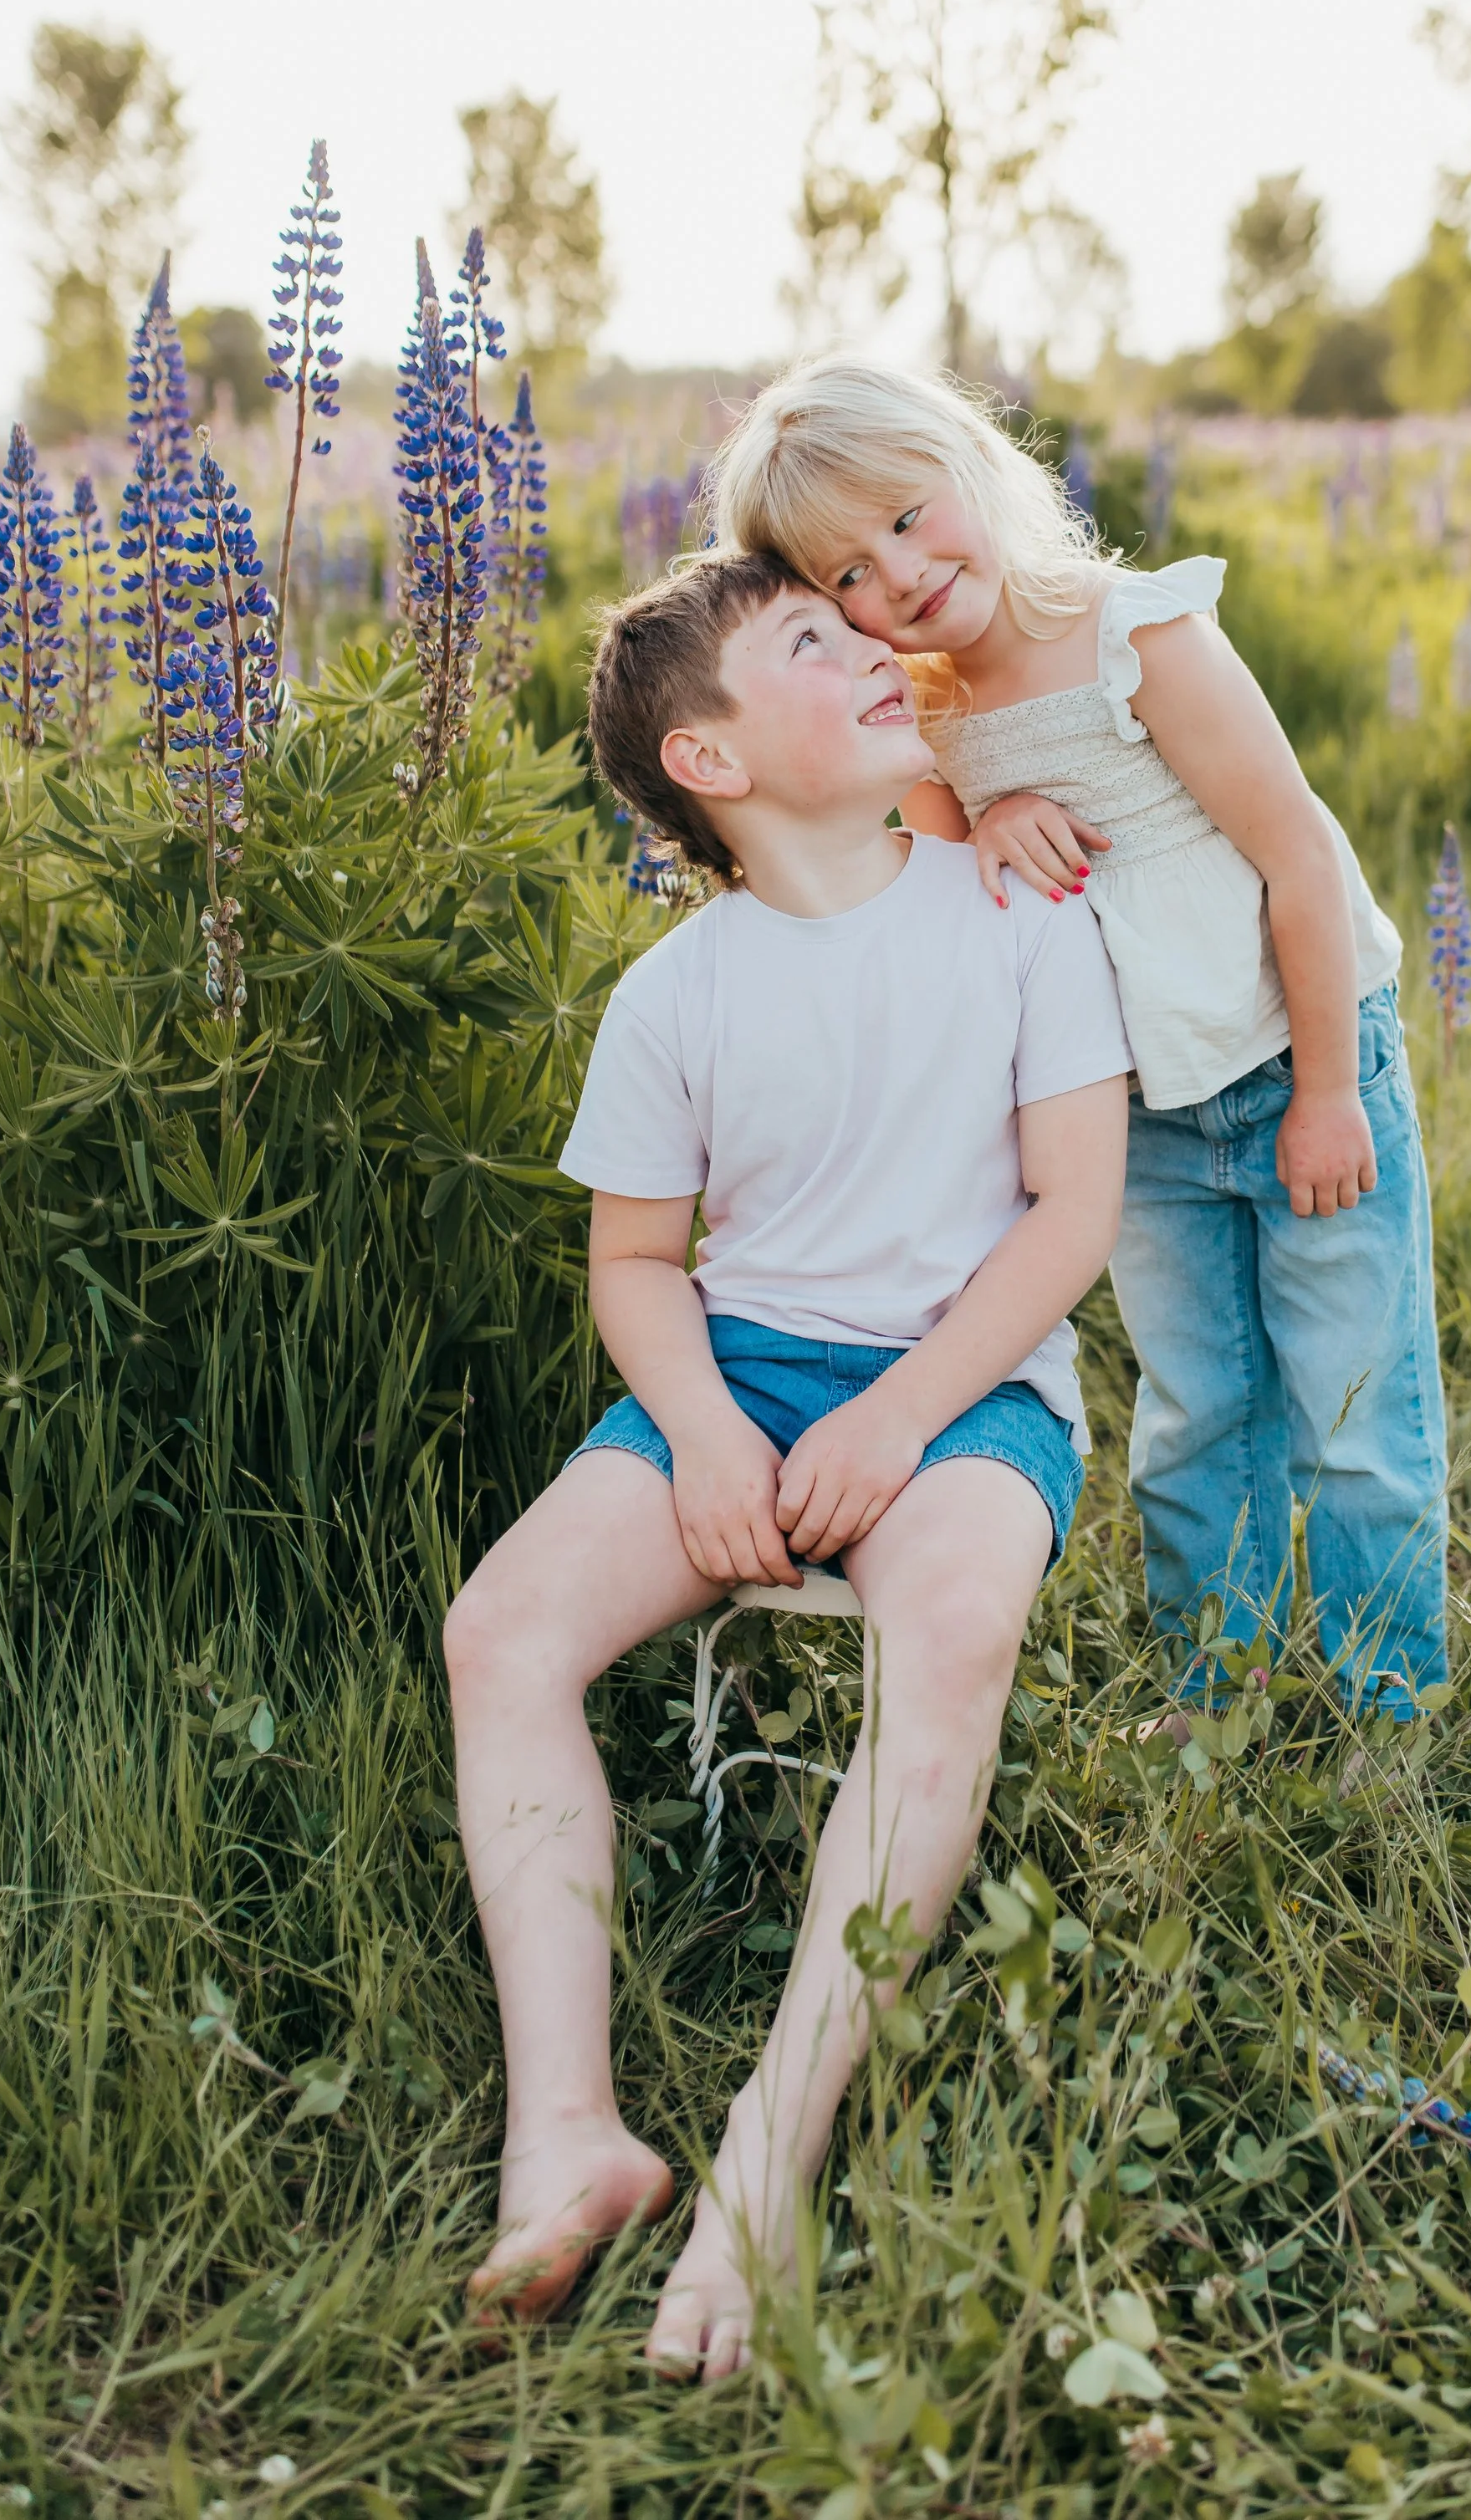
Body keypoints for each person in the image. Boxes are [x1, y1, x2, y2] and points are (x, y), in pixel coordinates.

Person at [443, 546, 1130, 2375]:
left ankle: (769, 2156)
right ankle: (565, 2135)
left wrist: (902, 1413)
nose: (871, 649)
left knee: (955, 1631)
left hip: (964, 1383)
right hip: (731, 1373)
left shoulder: (1013, 909)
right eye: (811, 644)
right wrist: (705, 1432)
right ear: (714, 767)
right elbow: (635, 1268)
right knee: (501, 1633)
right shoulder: (676, 993)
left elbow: (1070, 1216)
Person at [710, 357, 1448, 1712]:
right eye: (852, 575)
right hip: (1144, 1116)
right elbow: (932, 890)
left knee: (1356, 1416)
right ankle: (1214, 1697)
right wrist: (984, 817)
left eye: (908, 515)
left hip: (1301, 1053)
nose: (902, 573)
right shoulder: (926, 718)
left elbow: (1295, 851)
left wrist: (1333, 1087)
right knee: (1197, 1412)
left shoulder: (1130, 632)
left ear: (969, 465)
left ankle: (1381, 1711)